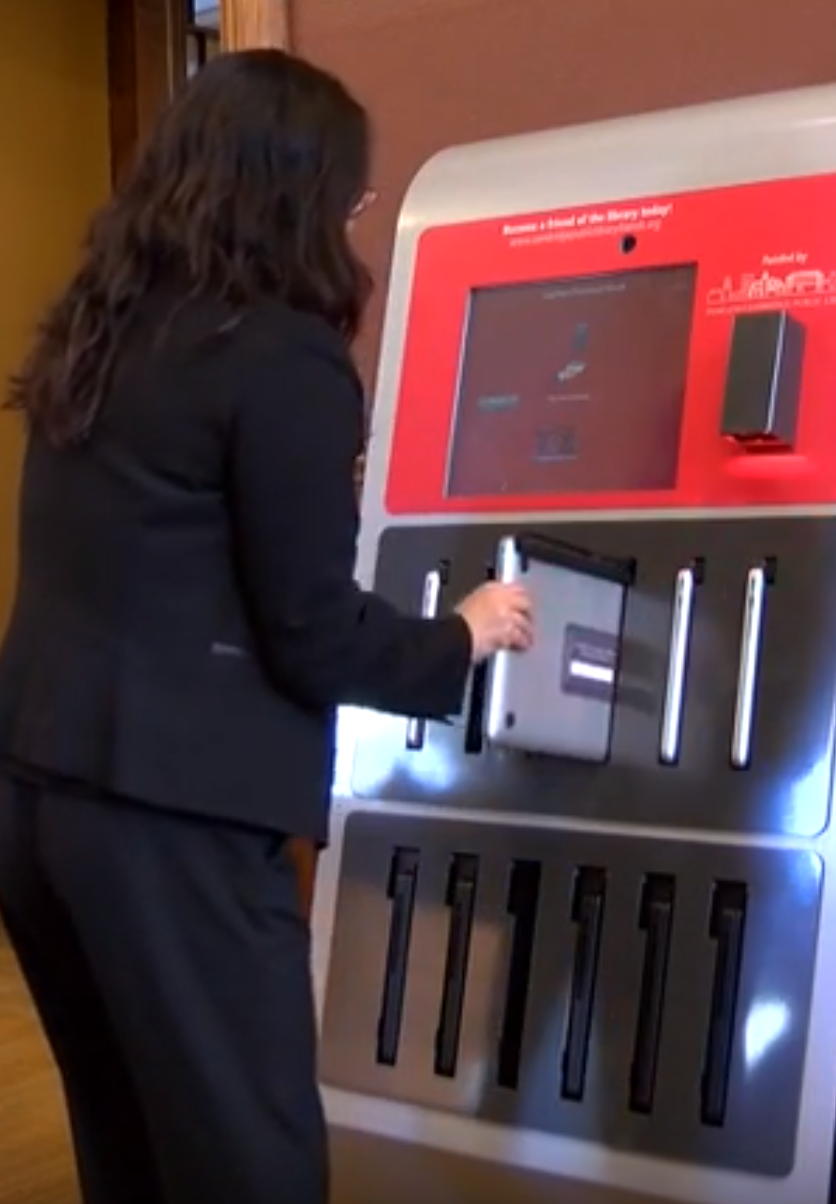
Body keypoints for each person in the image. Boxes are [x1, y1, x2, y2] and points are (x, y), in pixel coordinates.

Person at [0, 49, 533, 1204]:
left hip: (39, 797)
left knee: (130, 1143)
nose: (356, 219)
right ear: (295, 194)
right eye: (350, 195)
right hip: (176, 820)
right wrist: (463, 634)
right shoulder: (281, 356)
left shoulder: (102, 328)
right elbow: (312, 629)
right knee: (255, 1160)